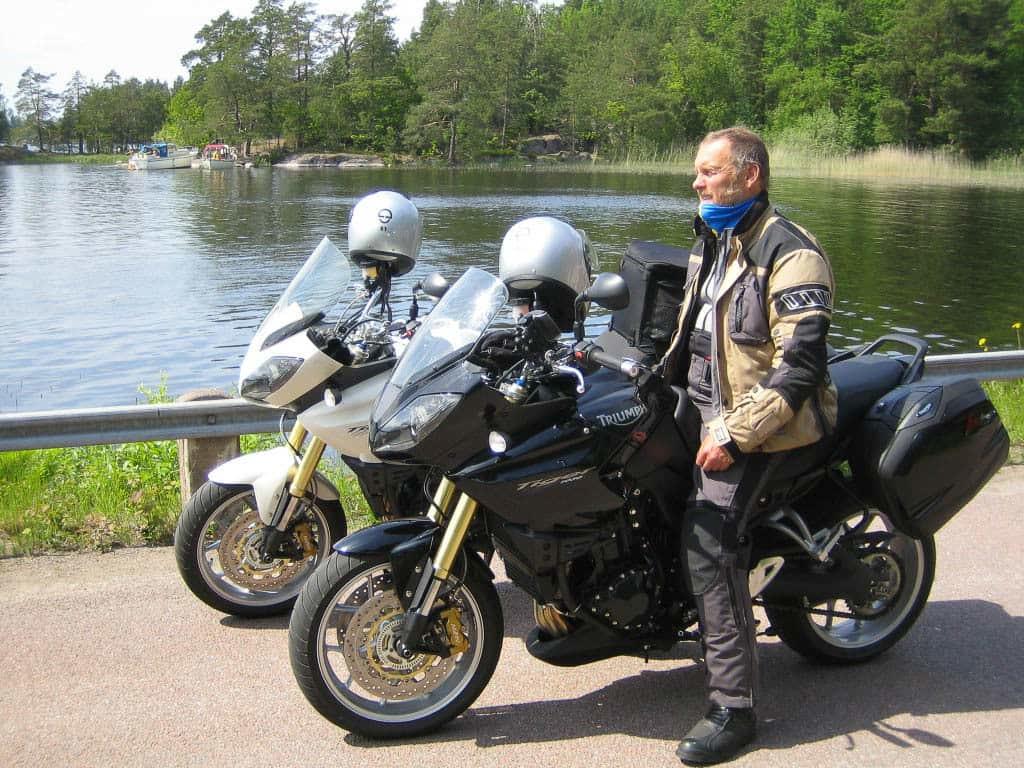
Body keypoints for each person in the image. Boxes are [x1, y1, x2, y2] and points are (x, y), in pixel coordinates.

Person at [657, 127, 837, 765]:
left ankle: (734, 707)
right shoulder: (716, 240)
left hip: (770, 423)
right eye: (697, 173)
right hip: (704, 403)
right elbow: (690, 332)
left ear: (750, 176)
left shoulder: (791, 254)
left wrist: (734, 434)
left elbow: (799, 369)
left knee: (709, 542)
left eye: (709, 172)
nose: (698, 183)